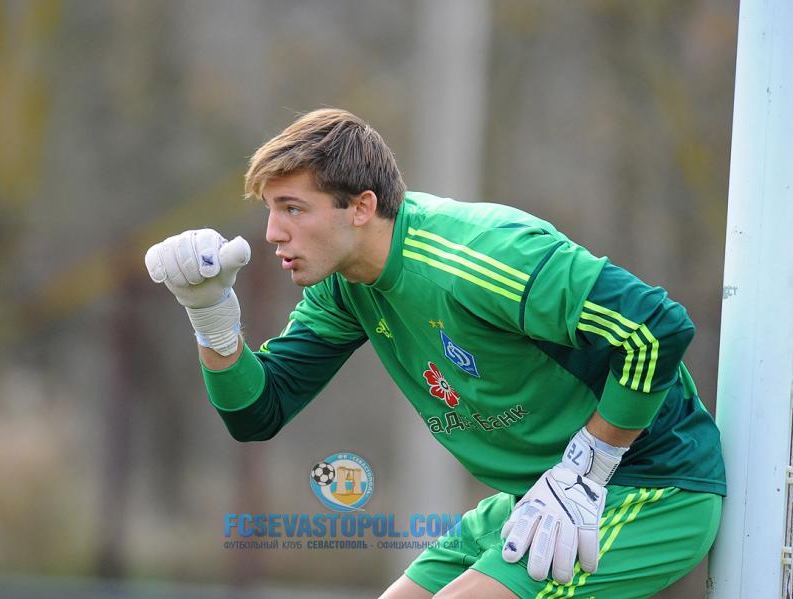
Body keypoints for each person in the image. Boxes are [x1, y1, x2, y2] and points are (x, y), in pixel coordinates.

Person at [144, 108, 725, 598]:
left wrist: (588, 467)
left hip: (649, 484)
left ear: (361, 207)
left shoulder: (481, 254)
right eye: (271, 210)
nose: (273, 232)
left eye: (293, 208)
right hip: (538, 496)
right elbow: (257, 412)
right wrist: (211, 315)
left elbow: (656, 329)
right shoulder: (343, 287)